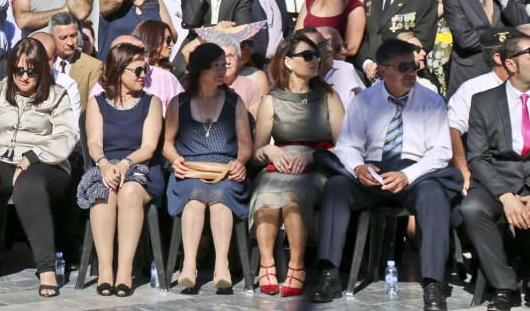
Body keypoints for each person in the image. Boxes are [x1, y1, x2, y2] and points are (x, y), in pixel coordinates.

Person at [311, 39, 459, 310]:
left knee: (434, 195)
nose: (411, 72)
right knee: (337, 187)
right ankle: (329, 273)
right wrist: (358, 167)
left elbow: (440, 152)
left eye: (413, 66)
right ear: (382, 70)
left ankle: (434, 282)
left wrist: (407, 175)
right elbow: (347, 145)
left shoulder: (431, 100)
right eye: (403, 67)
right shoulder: (364, 101)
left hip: (416, 172)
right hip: (374, 170)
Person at [0, 38, 76, 297]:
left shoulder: (57, 95)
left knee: (29, 187)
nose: (23, 77)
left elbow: (66, 137)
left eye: (31, 71)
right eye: (18, 70)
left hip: (45, 162)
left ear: (42, 70)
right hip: (0, 157)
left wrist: (33, 156)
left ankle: (46, 269)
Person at [250, 34, 344, 297]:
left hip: (316, 167)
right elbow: (256, 152)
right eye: (307, 56)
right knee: (267, 194)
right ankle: (266, 263)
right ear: (289, 62)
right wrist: (268, 150)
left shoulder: (328, 97)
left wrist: (312, 156)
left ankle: (297, 265)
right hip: (277, 168)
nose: (314, 60)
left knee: (293, 196)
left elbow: (345, 145)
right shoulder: (272, 100)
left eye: (316, 55)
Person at [163, 43, 252, 293]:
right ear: (200, 69)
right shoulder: (178, 103)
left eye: (224, 65)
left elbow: (246, 145)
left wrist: (240, 162)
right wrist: (174, 160)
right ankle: (189, 264)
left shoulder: (235, 102)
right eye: (216, 66)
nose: (222, 70)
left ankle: (221, 264)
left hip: (225, 169)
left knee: (220, 197)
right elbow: (167, 143)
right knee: (194, 197)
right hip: (190, 168)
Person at [78, 43, 164, 296]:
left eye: (145, 69)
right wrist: (104, 164)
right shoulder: (97, 103)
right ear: (119, 70)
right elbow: (94, 143)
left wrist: (125, 163)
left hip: (141, 167)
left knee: (128, 192)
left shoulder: (152, 102)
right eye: (137, 69)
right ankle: (106, 270)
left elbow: (149, 148)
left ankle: (125, 270)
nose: (143, 75)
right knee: (105, 191)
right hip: (106, 164)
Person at [460, 33, 530, 311]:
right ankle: (505, 285)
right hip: (498, 178)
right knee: (472, 208)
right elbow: (477, 157)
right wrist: (505, 194)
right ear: (511, 64)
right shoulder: (484, 101)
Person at [443, 0, 529, 95]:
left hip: (507, 71)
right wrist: (506, 41)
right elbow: (465, 39)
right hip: (469, 71)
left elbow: (523, 26)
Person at [448, 28, 518, 195]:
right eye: (518, 52)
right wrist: (463, 170)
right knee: (469, 210)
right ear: (498, 58)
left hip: (525, 170)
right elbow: (452, 127)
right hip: (486, 169)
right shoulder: (472, 88)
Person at [51, 11, 103, 109]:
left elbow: (96, 106)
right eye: (63, 38)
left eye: (73, 36)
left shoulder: (93, 66)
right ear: (52, 38)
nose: (70, 42)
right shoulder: (44, 62)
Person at [29, 31, 82, 123]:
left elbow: (74, 127)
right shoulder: (17, 79)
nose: (42, 64)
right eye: (37, 58)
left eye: (47, 59)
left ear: (55, 58)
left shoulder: (67, 85)